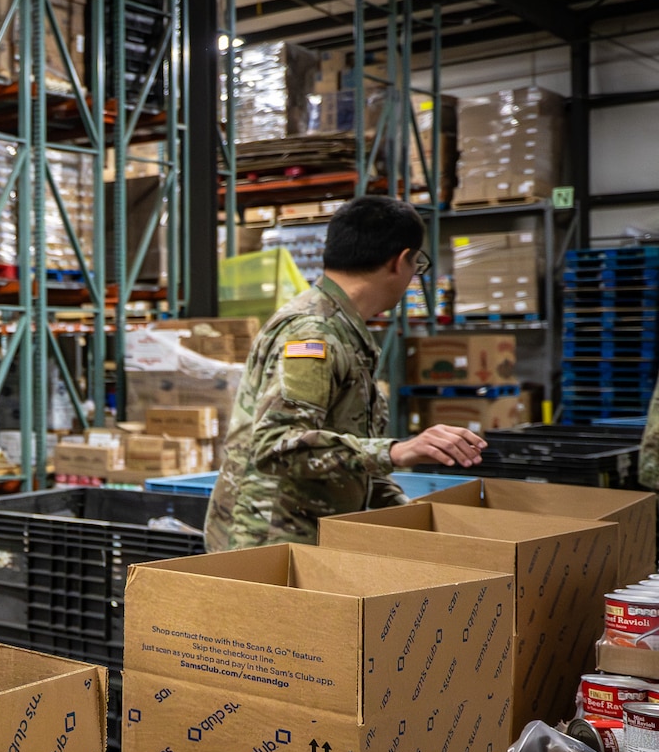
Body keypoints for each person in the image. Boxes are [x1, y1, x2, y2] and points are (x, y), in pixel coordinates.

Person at [205, 196, 488, 552]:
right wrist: (397, 451)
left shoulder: (342, 328)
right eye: (418, 264)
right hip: (269, 543)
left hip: (302, 536)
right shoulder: (313, 333)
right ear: (401, 261)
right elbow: (277, 447)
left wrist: (413, 517)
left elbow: (342, 447)